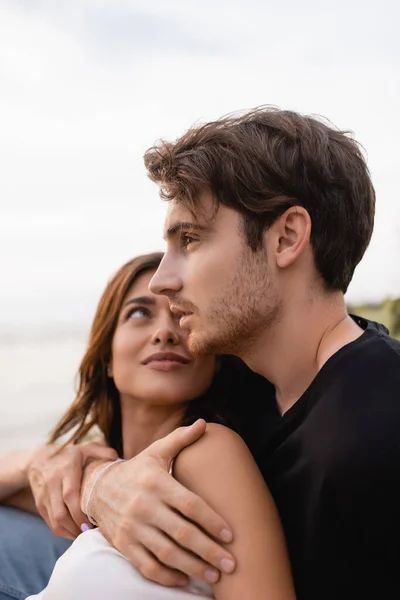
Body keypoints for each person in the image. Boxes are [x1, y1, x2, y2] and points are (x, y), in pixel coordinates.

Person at [33, 106, 398, 600]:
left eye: (190, 239)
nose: (164, 280)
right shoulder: (253, 396)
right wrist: (100, 481)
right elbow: (45, 470)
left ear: (287, 237)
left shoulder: (379, 421)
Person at [0, 252, 295, 600]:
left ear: (214, 358)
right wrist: (40, 460)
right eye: (140, 313)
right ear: (107, 356)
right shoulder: (96, 466)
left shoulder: (207, 450)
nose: (165, 333)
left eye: (183, 316)